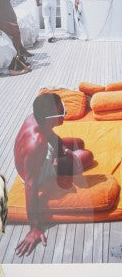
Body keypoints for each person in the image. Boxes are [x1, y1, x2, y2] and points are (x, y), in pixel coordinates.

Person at [13, 91, 95, 257]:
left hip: (40, 156)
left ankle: (63, 155)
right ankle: (60, 165)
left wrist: (62, 149)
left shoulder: (36, 118)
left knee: (78, 143)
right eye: (61, 112)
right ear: (49, 117)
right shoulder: (37, 143)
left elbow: (49, 134)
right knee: (87, 155)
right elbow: (30, 185)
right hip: (41, 172)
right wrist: (34, 228)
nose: (64, 114)